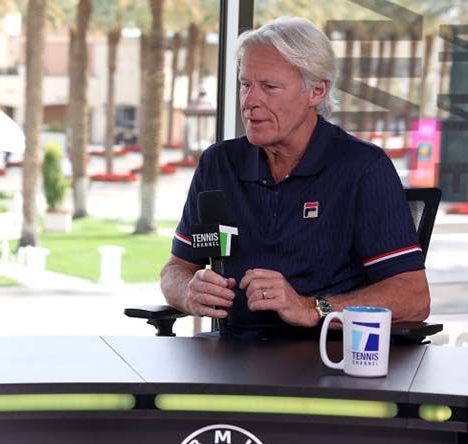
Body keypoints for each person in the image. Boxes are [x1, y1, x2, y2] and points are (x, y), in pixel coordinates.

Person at [160, 17, 430, 341]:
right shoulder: (219, 164)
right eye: (246, 84)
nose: (249, 101)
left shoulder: (363, 168)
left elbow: (413, 298)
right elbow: (176, 269)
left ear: (316, 91)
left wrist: (313, 308)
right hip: (233, 353)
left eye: (269, 87)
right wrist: (188, 292)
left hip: (327, 357)